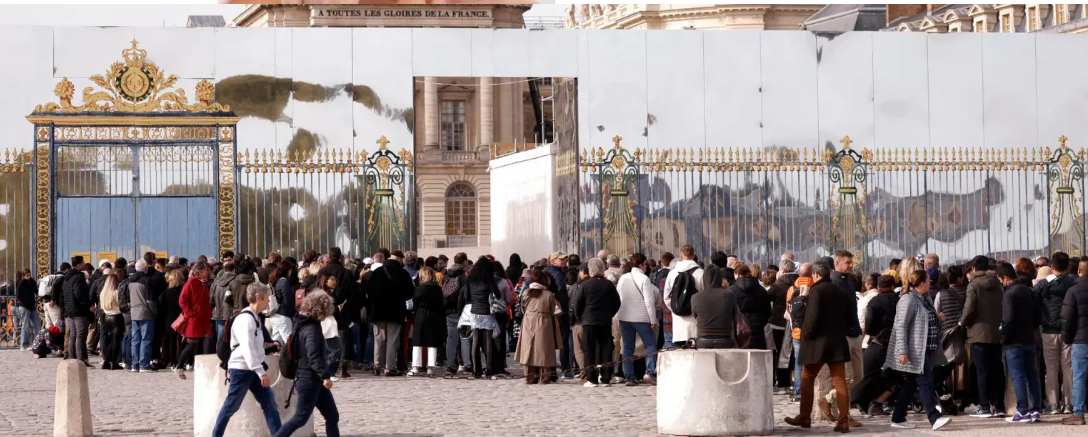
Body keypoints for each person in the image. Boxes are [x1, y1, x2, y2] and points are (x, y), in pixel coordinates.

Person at [784, 262, 853, 433]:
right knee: (840, 381)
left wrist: (806, 336)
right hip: (837, 342)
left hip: (817, 343)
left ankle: (805, 416)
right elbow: (850, 318)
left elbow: (812, 318)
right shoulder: (840, 292)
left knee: (807, 378)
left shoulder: (816, 291)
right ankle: (843, 420)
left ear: (815, 275)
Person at [210, 282, 281, 437]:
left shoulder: (254, 318)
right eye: (267, 298)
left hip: (251, 367)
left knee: (269, 404)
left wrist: (267, 345)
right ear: (258, 298)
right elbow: (247, 348)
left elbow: (253, 344)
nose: (269, 301)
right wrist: (261, 372)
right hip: (242, 369)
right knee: (231, 406)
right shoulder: (246, 320)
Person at [885, 270, 953, 430]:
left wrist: (937, 319)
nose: (930, 283)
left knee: (910, 384)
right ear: (921, 283)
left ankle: (898, 417)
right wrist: (903, 350)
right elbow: (901, 326)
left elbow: (923, 320)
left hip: (925, 348)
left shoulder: (924, 298)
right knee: (926, 382)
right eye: (928, 281)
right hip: (915, 350)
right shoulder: (908, 299)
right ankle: (934, 418)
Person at [277, 291, 340, 437]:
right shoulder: (311, 329)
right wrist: (325, 376)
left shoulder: (303, 324)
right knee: (300, 418)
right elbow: (313, 355)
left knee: (332, 416)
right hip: (309, 379)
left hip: (314, 378)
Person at [959, 256, 1007, 418]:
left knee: (982, 371)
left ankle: (985, 406)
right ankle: (999, 406)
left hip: (978, 333)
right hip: (996, 332)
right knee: (997, 369)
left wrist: (962, 322)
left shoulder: (973, 285)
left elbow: (969, 309)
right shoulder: (998, 284)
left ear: (973, 268)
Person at [996, 263, 1043, 423]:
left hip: (1013, 341)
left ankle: (1022, 411)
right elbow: (1037, 316)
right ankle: (1035, 409)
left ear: (1005, 278)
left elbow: (1008, 319)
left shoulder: (1009, 294)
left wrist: (1003, 337)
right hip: (1029, 339)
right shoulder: (1029, 291)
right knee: (1032, 375)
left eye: (1000, 279)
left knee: (1017, 376)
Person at [850, 274, 899, 416]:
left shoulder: (873, 302)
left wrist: (874, 333)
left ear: (878, 287)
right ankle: (880, 402)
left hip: (878, 342)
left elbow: (869, 325)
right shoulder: (899, 301)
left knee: (870, 372)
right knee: (896, 376)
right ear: (893, 286)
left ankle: (866, 400)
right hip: (895, 343)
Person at [1037, 252, 1076, 414]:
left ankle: (1053, 403)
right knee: (1068, 367)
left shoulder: (1044, 284)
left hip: (1048, 329)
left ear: (1052, 266)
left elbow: (1035, 297)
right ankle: (1068, 403)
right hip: (1068, 330)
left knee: (1051, 368)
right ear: (1067, 266)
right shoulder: (1073, 282)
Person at [572, 258, 621, 387]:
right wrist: (609, 314)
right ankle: (606, 378)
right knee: (606, 349)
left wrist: (581, 318)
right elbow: (617, 302)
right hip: (604, 320)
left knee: (589, 350)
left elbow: (577, 304)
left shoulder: (585, 285)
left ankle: (592, 379)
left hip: (588, 320)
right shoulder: (608, 285)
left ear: (590, 270)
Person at [615, 253, 660, 386]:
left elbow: (619, 296)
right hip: (641, 317)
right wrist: (653, 320)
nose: (646, 266)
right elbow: (649, 301)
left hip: (624, 316)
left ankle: (629, 375)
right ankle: (650, 371)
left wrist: (618, 315)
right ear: (641, 265)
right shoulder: (644, 279)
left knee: (627, 346)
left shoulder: (623, 278)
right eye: (645, 264)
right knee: (650, 344)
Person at [366, 250, 414, 377]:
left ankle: (377, 365)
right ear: (399, 259)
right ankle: (390, 367)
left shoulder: (377, 272)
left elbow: (368, 290)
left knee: (379, 340)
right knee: (392, 340)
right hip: (396, 311)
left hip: (378, 311)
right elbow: (409, 293)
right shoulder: (402, 273)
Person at [458, 256, 502, 379]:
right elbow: (498, 295)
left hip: (474, 311)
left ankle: (476, 369)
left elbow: (466, 296)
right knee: (488, 341)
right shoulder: (490, 279)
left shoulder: (471, 279)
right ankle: (488, 369)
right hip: (487, 311)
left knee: (475, 340)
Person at [320, 247, 360, 379]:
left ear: (329, 256)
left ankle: (327, 366)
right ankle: (343, 367)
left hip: (326, 310)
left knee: (326, 338)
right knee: (343, 339)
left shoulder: (322, 271)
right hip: (343, 309)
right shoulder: (345, 272)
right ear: (341, 257)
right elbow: (353, 293)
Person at [515, 269, 561, 384]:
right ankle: (544, 376)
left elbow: (522, 306)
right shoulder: (549, 294)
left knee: (529, 348)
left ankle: (530, 376)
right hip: (544, 321)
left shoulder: (526, 292)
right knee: (543, 349)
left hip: (528, 321)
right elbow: (553, 310)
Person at [175, 262, 213, 380]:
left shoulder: (204, 283)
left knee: (207, 343)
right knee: (191, 345)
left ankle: (205, 369)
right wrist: (190, 312)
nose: (207, 272)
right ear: (199, 271)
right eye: (205, 270)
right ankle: (179, 366)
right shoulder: (190, 284)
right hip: (194, 320)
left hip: (204, 319)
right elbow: (182, 301)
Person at [1061, 261, 1088, 425]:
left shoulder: (1073, 291)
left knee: (1079, 377)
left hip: (1080, 339)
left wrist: (1067, 338)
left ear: (1079, 271)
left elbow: (1067, 318)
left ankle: (1078, 413)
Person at [663, 245, 703, 347]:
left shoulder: (672, 273)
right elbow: (704, 295)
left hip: (678, 324)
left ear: (681, 256)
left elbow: (666, 297)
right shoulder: (701, 273)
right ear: (693, 255)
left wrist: (676, 308)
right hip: (695, 322)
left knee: (680, 352)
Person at [769, 259, 798, 394]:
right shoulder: (799, 281)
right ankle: (796, 380)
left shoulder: (778, 284)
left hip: (779, 323)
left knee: (781, 352)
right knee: (794, 352)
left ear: (782, 270)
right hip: (795, 323)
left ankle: (783, 381)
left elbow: (768, 297)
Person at [409, 267, 445, 376]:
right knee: (432, 342)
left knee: (418, 341)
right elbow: (441, 303)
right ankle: (430, 368)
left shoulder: (420, 288)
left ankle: (415, 367)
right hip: (434, 314)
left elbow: (415, 303)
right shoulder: (438, 289)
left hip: (421, 313)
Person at [690, 265, 736, 349]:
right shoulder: (729, 295)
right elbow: (734, 314)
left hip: (703, 340)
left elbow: (695, 315)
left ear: (704, 278)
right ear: (720, 278)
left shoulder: (695, 297)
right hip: (725, 340)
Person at [543, 252, 573, 379]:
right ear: (553, 261)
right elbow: (561, 290)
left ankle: (548, 367)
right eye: (561, 259)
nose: (564, 261)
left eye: (565, 259)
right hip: (560, 310)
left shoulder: (544, 271)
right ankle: (566, 368)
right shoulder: (558, 274)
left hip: (546, 309)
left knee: (548, 339)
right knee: (563, 340)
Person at [62, 255, 94, 366]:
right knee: (80, 335)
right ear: (78, 264)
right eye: (83, 262)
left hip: (70, 310)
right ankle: (80, 360)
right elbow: (79, 294)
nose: (84, 264)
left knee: (73, 335)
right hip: (79, 310)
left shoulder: (67, 277)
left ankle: (72, 357)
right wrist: (87, 304)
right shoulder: (79, 276)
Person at [732, 264, 771, 350]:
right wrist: (760, 321)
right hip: (757, 327)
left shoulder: (732, 291)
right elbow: (767, 311)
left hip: (739, 328)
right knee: (758, 354)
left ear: (737, 274)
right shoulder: (761, 290)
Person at [98, 269, 124, 370]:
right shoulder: (116, 292)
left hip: (107, 316)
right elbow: (121, 305)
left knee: (111, 341)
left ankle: (106, 362)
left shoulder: (103, 292)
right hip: (116, 316)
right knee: (116, 341)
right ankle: (114, 362)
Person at [269, 259, 299, 345]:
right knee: (289, 342)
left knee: (276, 341)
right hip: (283, 315)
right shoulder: (284, 282)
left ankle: (274, 353)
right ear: (289, 270)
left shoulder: (275, 280)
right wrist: (295, 313)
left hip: (274, 315)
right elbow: (288, 301)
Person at [161, 268, 184, 370]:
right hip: (181, 318)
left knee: (171, 341)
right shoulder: (183, 291)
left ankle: (172, 361)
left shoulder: (166, 292)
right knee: (181, 341)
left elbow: (162, 306)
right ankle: (180, 360)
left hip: (169, 318)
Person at [211, 261, 237, 343]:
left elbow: (211, 300)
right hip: (232, 312)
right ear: (234, 270)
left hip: (218, 312)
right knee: (234, 338)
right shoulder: (236, 281)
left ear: (224, 270)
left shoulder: (215, 283)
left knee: (221, 338)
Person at [15, 268, 39, 351]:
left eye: (29, 274)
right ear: (23, 275)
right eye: (27, 275)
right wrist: (24, 303)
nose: (29, 276)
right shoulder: (22, 283)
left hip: (32, 306)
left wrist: (33, 282)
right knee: (25, 326)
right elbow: (18, 295)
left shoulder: (31, 281)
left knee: (37, 324)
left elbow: (35, 291)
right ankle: (24, 345)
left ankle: (37, 343)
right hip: (25, 306)